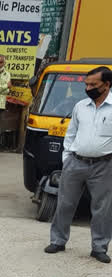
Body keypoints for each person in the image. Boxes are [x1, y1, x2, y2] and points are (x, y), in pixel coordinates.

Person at [45, 66, 112, 264]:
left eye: (94, 84)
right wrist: (67, 159)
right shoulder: (80, 106)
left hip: (104, 165)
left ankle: (99, 247)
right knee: (65, 203)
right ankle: (57, 241)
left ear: (107, 85)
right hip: (75, 162)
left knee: (103, 208)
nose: (88, 88)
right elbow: (71, 133)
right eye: (86, 84)